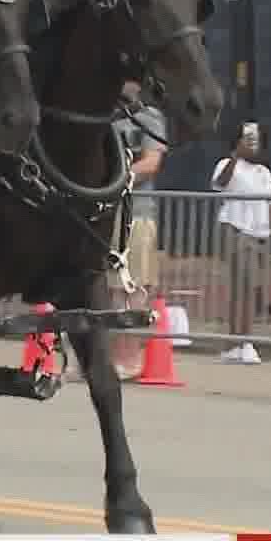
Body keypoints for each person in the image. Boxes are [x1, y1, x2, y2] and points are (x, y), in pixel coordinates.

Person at [211, 120, 271, 365]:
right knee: (242, 287)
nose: (253, 144)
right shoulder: (227, 164)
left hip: (259, 234)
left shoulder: (264, 172)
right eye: (247, 139)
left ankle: (238, 342)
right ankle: (241, 342)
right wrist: (235, 156)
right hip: (236, 230)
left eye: (255, 140)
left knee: (251, 289)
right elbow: (220, 184)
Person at [111, 81, 168, 378]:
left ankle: (130, 358)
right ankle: (110, 358)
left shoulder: (150, 118)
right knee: (111, 290)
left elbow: (151, 163)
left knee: (133, 288)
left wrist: (114, 177)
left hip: (138, 214)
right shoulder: (107, 118)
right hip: (107, 214)